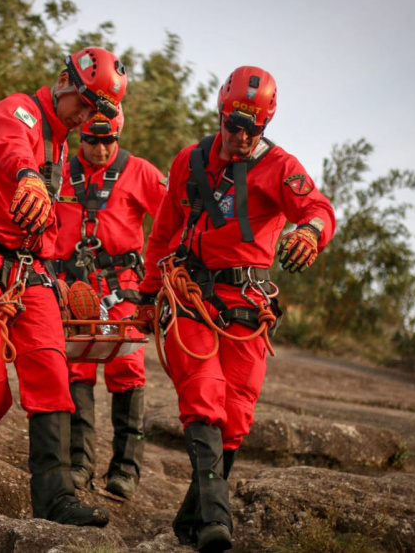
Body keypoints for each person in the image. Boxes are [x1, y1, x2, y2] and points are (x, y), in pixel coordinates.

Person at [134, 66, 336, 551]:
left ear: (266, 124)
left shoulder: (280, 166)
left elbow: (318, 209)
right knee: (203, 394)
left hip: (247, 304)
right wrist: (145, 295)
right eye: (234, 126)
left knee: (238, 414)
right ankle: (216, 525)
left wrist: (310, 232)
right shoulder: (189, 161)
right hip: (190, 296)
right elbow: (162, 233)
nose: (242, 137)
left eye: (254, 129)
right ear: (221, 114)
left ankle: (193, 520)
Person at [0, 47, 127, 527]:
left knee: (52, 376)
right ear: (64, 81)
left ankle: (55, 498)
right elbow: (10, 146)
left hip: (29, 271)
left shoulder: (61, 141)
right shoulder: (18, 111)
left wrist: (60, 272)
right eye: (82, 104)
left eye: (95, 113)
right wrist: (28, 176)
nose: (85, 117)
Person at [51, 105, 167, 499]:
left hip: (123, 285)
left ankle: (125, 470)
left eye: (108, 141)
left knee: (127, 366)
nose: (100, 149)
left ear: (118, 136)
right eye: (91, 140)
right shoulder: (60, 170)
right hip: (72, 287)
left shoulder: (141, 172)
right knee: (76, 368)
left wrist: (161, 279)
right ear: (78, 135)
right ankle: (80, 465)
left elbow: (171, 223)